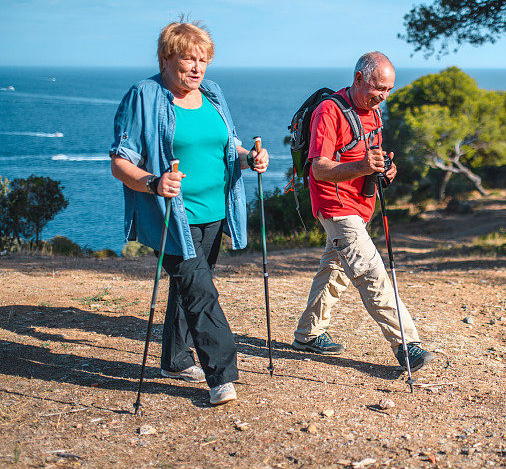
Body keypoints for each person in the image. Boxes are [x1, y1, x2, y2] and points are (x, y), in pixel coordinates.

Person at [109, 20, 268, 406]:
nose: (197, 68)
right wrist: (152, 182)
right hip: (172, 216)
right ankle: (222, 375)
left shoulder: (212, 94)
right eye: (187, 59)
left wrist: (251, 158)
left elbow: (228, 147)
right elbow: (119, 161)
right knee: (201, 292)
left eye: (203, 60)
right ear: (166, 59)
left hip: (216, 211)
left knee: (189, 289)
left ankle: (176, 360)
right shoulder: (145, 95)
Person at [292, 51, 432, 373]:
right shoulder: (330, 111)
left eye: (388, 91)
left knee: (335, 272)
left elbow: (369, 157)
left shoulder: (373, 112)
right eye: (377, 88)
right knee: (371, 272)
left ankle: (308, 334)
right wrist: (361, 165)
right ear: (358, 79)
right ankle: (407, 345)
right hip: (335, 206)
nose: (382, 97)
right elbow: (320, 170)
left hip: (360, 205)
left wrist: (384, 169)